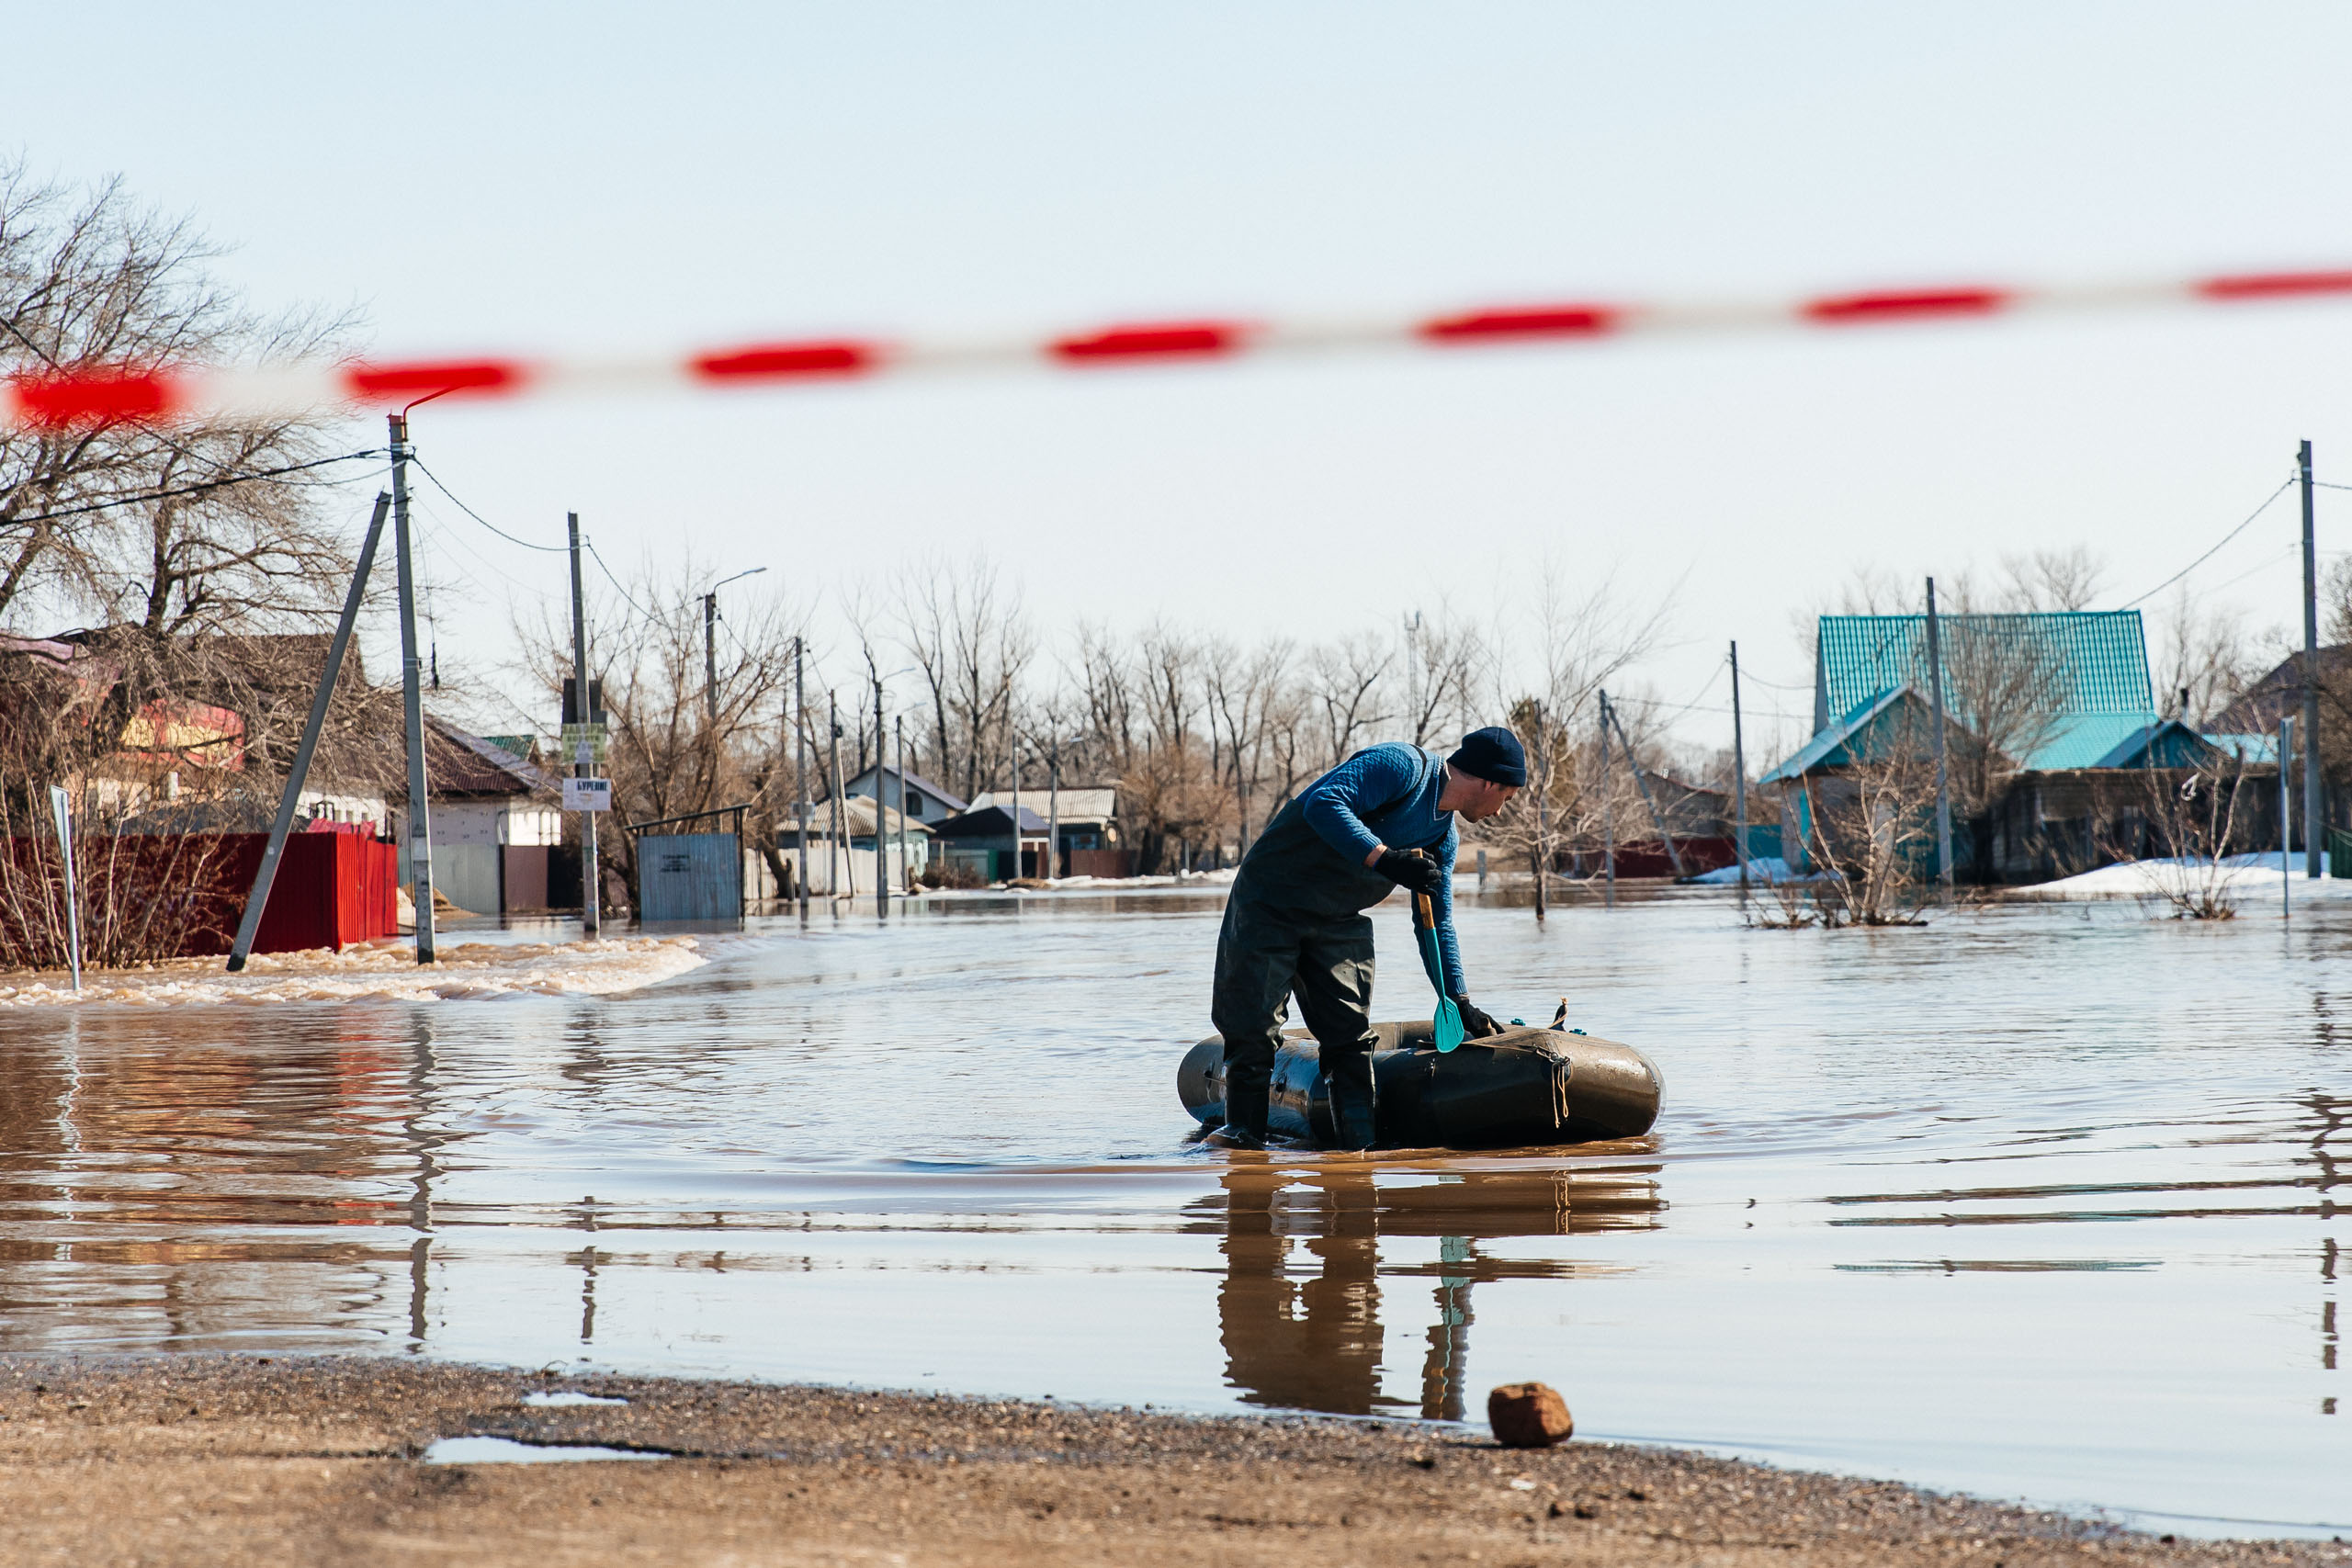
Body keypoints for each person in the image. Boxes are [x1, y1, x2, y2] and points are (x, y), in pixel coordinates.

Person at [1205, 726, 1525, 1150]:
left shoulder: (1442, 839)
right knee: (1254, 1035)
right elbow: (1325, 802)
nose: (1501, 811)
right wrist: (1384, 858)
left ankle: (1357, 1160)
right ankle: (1244, 1150)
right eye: (1506, 797)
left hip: (1337, 920)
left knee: (1351, 1043)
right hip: (1270, 903)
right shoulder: (1402, 767)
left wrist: (1458, 999)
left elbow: (1436, 924)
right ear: (1488, 782)